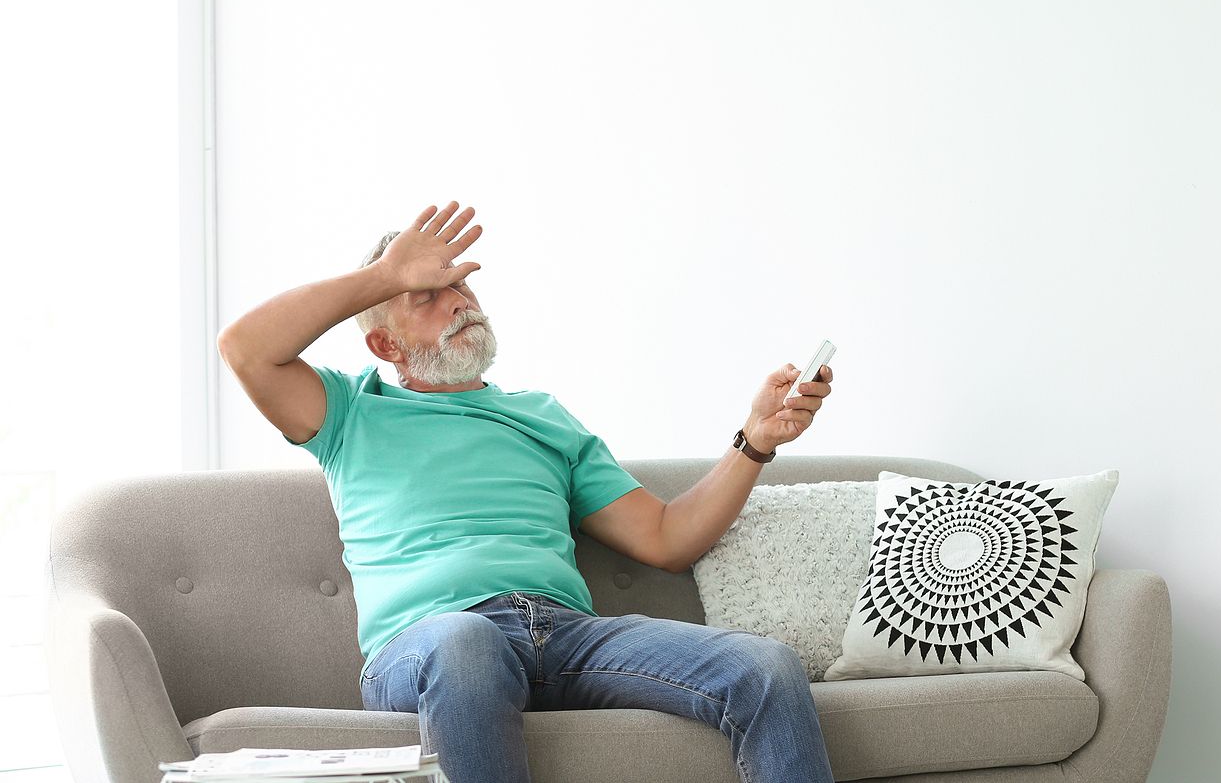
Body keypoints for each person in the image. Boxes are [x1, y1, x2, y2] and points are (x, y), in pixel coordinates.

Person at [216, 200, 837, 783]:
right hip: (431, 645)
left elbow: (666, 536)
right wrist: (386, 276)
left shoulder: (544, 416)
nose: (459, 302)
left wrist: (755, 439)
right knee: (469, 642)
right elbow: (245, 348)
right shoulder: (349, 412)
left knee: (766, 668)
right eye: (428, 297)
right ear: (384, 344)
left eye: (461, 285)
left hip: (564, 635)